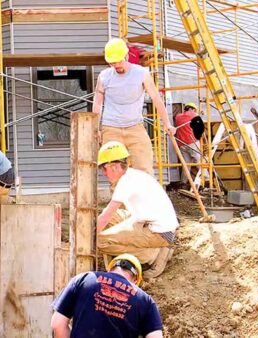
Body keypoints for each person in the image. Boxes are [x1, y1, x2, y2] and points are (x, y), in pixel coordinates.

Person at [93, 38, 176, 176]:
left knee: (144, 170)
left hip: (135, 128)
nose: (117, 65)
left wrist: (167, 123)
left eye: (119, 61)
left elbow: (156, 98)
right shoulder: (104, 77)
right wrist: (95, 127)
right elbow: (97, 102)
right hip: (111, 129)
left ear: (126, 56)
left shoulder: (141, 73)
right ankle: (119, 198)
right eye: (113, 63)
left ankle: (143, 197)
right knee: (114, 172)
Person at [96, 141, 178, 279]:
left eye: (104, 169)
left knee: (99, 241)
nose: (104, 174)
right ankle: (149, 250)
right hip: (158, 225)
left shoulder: (125, 183)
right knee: (114, 217)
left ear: (114, 166)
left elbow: (105, 216)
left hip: (158, 233)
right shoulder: (133, 175)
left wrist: (86, 237)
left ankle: (153, 257)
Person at [51, 254, 163, 338]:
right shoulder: (145, 300)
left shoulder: (83, 279)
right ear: (136, 279)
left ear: (110, 269)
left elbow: (58, 324)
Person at [174, 102, 206, 183]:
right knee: (199, 161)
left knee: (186, 165)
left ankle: (183, 182)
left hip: (181, 144)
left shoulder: (178, 117)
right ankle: (206, 178)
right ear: (192, 109)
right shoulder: (194, 115)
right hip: (192, 142)